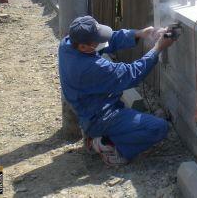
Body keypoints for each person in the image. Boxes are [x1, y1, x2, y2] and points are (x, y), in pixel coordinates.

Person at [58, 15, 175, 166]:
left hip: (92, 109)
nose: (101, 41)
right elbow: (133, 73)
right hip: (102, 116)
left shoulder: (67, 44)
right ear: (83, 47)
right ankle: (105, 145)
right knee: (159, 128)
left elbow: (110, 40)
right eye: (97, 39)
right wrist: (158, 47)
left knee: (142, 123)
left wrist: (140, 33)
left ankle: (98, 136)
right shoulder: (90, 68)